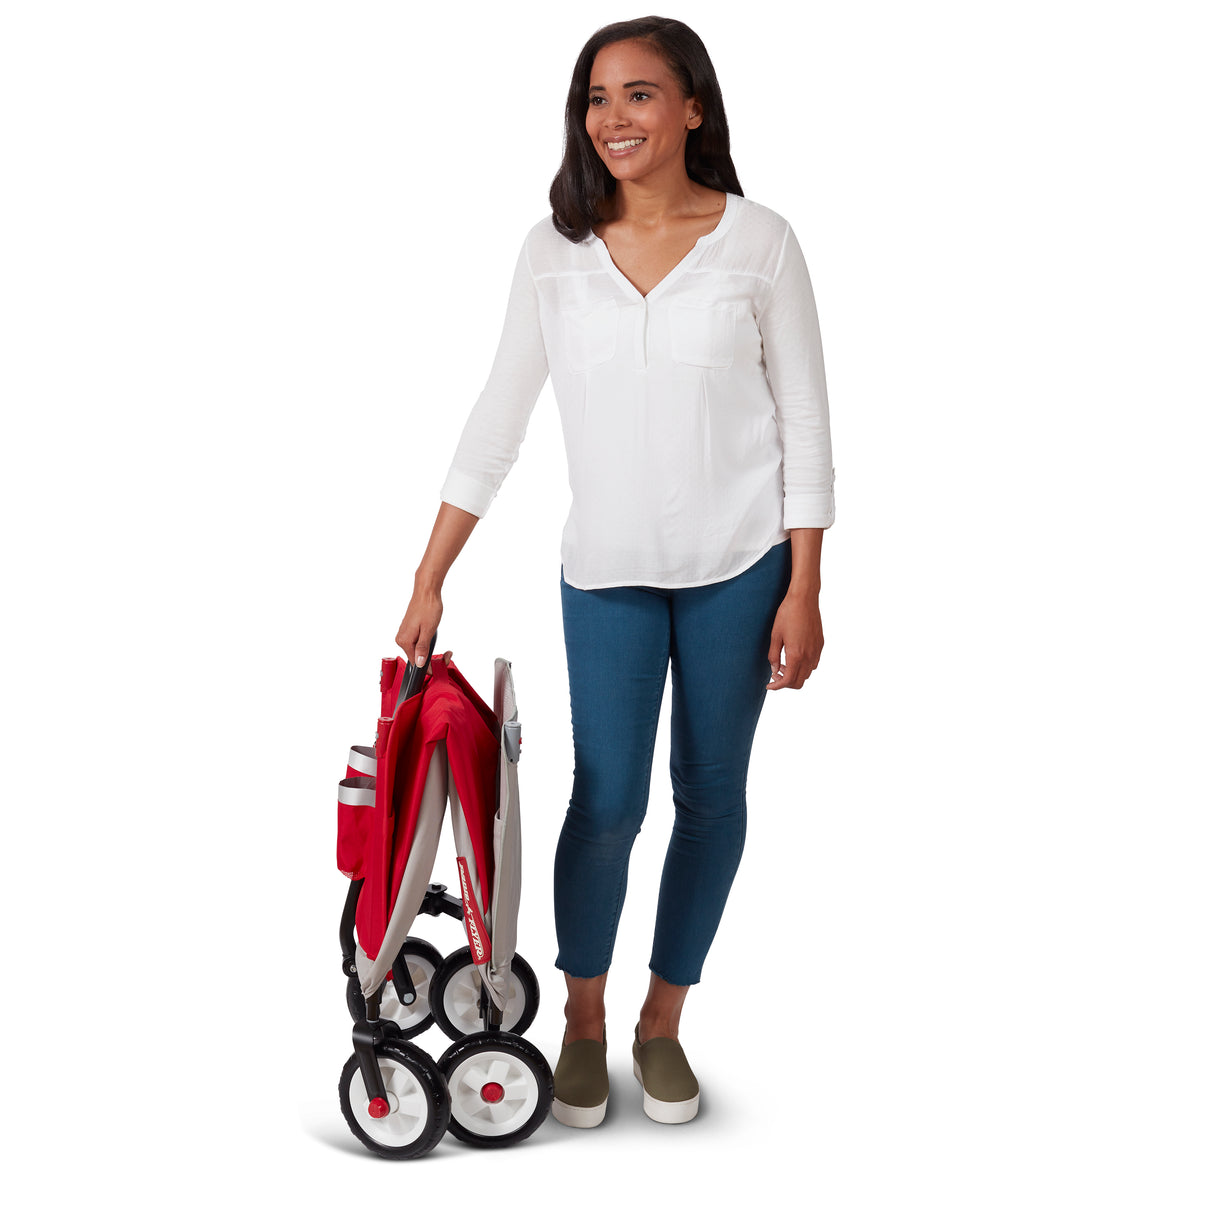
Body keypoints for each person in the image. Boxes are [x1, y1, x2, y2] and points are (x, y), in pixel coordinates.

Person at [396, 15, 834, 1128]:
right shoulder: (553, 251)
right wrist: (429, 572)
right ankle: (582, 1016)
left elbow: (805, 424)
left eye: (640, 94)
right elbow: (497, 416)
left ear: (693, 108)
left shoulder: (761, 242)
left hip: (739, 570)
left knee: (711, 794)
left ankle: (662, 1020)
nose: (613, 118)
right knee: (605, 800)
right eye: (596, 98)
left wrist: (803, 585)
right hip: (605, 574)